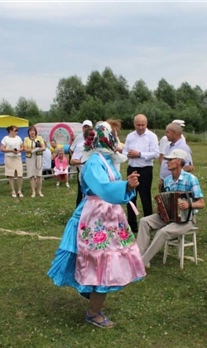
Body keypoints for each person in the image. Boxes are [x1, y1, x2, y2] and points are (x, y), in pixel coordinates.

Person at [48, 120, 146, 329]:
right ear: (107, 139)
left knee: (105, 261)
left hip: (107, 216)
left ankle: (95, 304)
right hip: (96, 217)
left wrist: (127, 185)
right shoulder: (94, 162)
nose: (117, 140)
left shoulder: (105, 160)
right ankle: (93, 311)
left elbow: (110, 187)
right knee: (99, 261)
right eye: (114, 136)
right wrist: (125, 185)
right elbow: (102, 187)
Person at [137, 149, 205, 266]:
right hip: (167, 217)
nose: (166, 162)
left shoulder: (191, 179)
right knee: (144, 221)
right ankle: (138, 257)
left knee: (163, 232)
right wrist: (161, 208)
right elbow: (164, 200)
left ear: (178, 161)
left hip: (186, 219)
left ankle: (142, 262)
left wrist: (189, 204)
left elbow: (201, 203)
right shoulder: (167, 180)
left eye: (170, 160)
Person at [122, 114, 159, 233]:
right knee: (131, 197)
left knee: (145, 197)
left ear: (146, 124)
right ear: (134, 124)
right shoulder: (130, 136)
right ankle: (132, 225)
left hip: (145, 169)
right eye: (138, 125)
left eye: (143, 125)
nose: (141, 127)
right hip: (132, 168)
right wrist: (127, 153)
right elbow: (124, 150)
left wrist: (140, 154)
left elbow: (156, 153)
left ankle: (149, 224)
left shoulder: (152, 136)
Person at [159, 122, 194, 191]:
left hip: (174, 184)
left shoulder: (183, 147)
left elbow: (189, 167)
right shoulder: (169, 146)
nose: (165, 135)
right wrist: (163, 180)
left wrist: (173, 177)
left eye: (167, 132)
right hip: (166, 182)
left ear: (175, 133)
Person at [71, 120, 93, 206]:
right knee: (83, 193)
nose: (86, 128)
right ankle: (79, 212)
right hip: (83, 172)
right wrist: (80, 162)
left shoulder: (97, 144)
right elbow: (72, 156)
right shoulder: (80, 143)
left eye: (88, 127)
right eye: (85, 127)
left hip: (94, 173)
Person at [0, 125, 24, 198]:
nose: (16, 132)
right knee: (11, 175)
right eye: (15, 130)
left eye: (17, 130)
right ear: (10, 131)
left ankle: (19, 190)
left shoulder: (18, 138)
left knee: (20, 174)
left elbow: (22, 147)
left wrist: (18, 150)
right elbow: (2, 149)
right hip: (9, 157)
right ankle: (13, 190)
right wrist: (11, 150)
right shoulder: (5, 138)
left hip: (17, 157)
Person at [24, 125, 46, 198]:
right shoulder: (26, 139)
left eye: (33, 131)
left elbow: (43, 147)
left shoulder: (39, 138)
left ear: (35, 131)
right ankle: (33, 191)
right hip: (30, 158)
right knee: (31, 175)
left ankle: (39, 191)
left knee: (39, 175)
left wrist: (38, 149)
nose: (32, 132)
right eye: (30, 131)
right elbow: (25, 149)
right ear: (29, 132)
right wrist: (33, 149)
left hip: (38, 156)